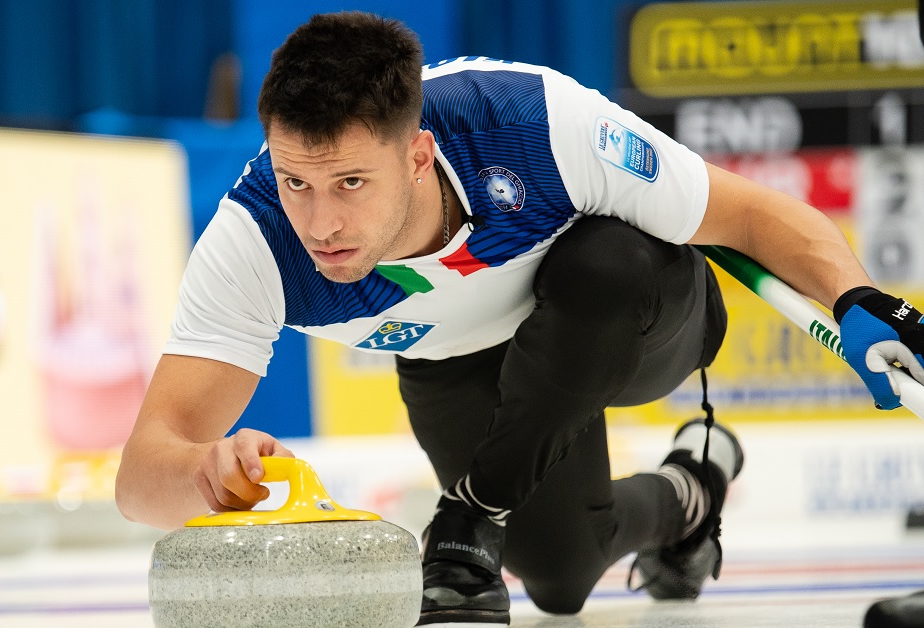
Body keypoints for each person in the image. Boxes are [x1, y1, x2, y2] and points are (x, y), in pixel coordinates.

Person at [115, 12, 924, 626]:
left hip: (632, 317)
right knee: (560, 576)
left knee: (605, 263)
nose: (320, 224)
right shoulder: (254, 240)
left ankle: (473, 509)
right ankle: (694, 486)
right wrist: (207, 470)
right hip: (459, 358)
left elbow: (752, 215)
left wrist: (858, 299)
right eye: (297, 182)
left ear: (417, 156)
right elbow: (140, 479)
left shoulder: (537, 124)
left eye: (351, 183)